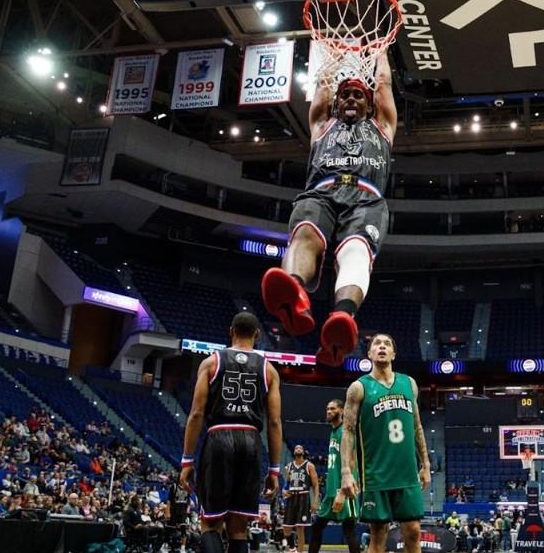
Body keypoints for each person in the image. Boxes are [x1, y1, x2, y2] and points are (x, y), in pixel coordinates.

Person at [261, 52, 398, 366]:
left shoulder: (383, 126)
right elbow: (323, 84)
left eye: (358, 95)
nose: (351, 98)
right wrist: (331, 56)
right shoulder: (322, 124)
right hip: (321, 192)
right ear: (336, 104)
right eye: (345, 95)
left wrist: (381, 50)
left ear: (369, 104)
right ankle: (294, 293)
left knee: (356, 251)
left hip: (366, 196)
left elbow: (383, 82)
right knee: (305, 234)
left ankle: (343, 316)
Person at [180, 312, 283, 553]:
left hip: (219, 436)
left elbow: (196, 413)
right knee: (238, 528)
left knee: (210, 523)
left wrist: (187, 459)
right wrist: (275, 469)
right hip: (251, 440)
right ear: (257, 335)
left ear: (231, 331)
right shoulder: (269, 370)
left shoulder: (211, 362)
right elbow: (275, 422)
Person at [340, 333, 430, 553]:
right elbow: (348, 431)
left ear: (393, 354)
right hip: (376, 473)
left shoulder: (409, 383)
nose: (382, 347)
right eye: (376, 344)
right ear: (369, 353)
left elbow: (417, 426)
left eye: (387, 344)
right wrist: (346, 471)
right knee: (378, 535)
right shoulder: (359, 387)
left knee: (414, 531)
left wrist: (426, 464)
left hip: (407, 472)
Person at [308, 400, 361, 553]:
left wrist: (342, 492)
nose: (329, 411)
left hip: (345, 490)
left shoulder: (346, 432)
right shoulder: (333, 432)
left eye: (333, 408)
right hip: (330, 492)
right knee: (317, 527)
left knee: (349, 531)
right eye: (327, 409)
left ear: (342, 411)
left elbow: (352, 461)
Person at [283, 445, 318, 553]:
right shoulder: (289, 466)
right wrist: (284, 491)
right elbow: (286, 484)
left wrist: (315, 501)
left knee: (300, 528)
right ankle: (292, 548)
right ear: (294, 452)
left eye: (300, 448)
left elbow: (316, 485)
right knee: (286, 528)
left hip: (303, 497)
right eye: (296, 448)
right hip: (291, 497)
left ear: (303, 452)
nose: (298, 449)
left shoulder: (309, 466)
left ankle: (300, 551)